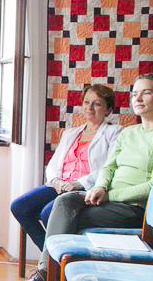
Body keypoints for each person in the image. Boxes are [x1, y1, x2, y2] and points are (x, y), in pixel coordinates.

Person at [22, 74, 153, 281]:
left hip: (134, 208)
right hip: (109, 200)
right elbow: (109, 167)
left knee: (68, 218)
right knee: (65, 201)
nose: (138, 98)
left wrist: (110, 195)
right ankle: (49, 272)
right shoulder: (129, 133)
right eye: (135, 94)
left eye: (146, 93)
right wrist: (100, 186)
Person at [11, 84, 121, 252]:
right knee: (19, 206)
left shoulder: (115, 132)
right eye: (86, 102)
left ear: (108, 109)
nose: (90, 107)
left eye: (97, 103)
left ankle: (57, 259)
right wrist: (56, 181)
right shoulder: (71, 133)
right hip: (60, 186)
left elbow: (110, 166)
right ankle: (51, 256)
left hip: (85, 189)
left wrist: (78, 183)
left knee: (48, 212)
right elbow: (53, 164)